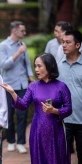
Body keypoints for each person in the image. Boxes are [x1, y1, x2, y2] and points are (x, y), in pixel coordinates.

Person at [0, 53, 72, 164]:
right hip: (37, 131)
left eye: (39, 66)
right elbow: (23, 105)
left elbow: (69, 109)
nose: (36, 69)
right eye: (35, 66)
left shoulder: (61, 86)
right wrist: (13, 92)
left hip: (56, 131)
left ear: (49, 66)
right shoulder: (33, 86)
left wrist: (54, 111)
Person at [0, 20, 35, 153]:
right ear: (14, 31)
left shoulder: (22, 45)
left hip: (22, 84)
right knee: (9, 114)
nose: (25, 33)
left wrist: (31, 77)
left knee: (22, 114)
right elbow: (3, 65)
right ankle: (11, 141)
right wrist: (17, 53)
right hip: (8, 85)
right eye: (22, 31)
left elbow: (27, 64)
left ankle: (21, 142)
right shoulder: (3, 46)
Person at [57, 30, 82, 164]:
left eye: (68, 42)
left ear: (77, 45)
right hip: (63, 120)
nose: (64, 45)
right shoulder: (59, 65)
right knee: (62, 156)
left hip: (81, 120)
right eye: (63, 42)